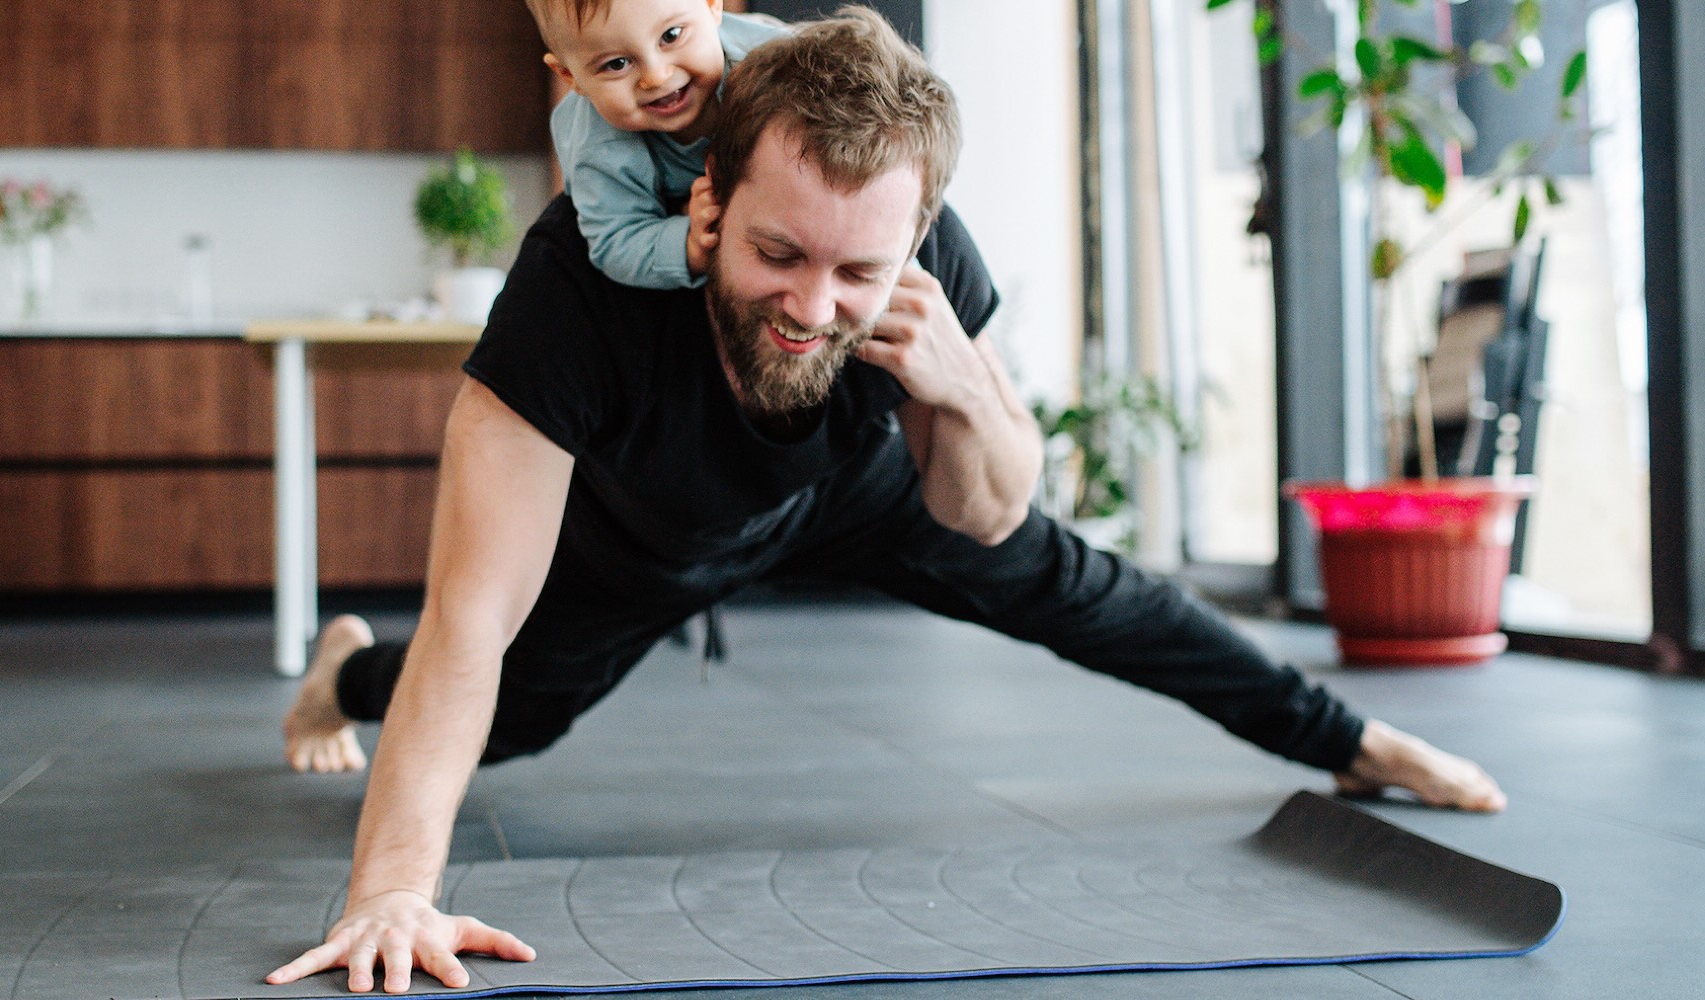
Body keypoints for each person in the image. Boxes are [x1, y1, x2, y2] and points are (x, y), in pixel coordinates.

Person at [272, 10, 1506, 995]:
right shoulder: (574, 291)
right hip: (646, 529)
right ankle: (342, 674)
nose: (813, 306)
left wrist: (964, 385)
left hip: (852, 488)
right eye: (777, 255)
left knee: (1084, 588)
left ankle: (1349, 740)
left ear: (913, 236)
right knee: (513, 717)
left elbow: (991, 514)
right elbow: (471, 617)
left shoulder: (932, 270)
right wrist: (389, 887)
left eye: (859, 270)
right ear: (708, 199)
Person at [534, 0, 786, 289]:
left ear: (712, 5)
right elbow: (617, 240)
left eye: (671, 35)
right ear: (570, 76)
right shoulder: (598, 149)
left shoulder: (776, 64)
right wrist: (689, 243)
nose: (656, 77)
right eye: (616, 64)